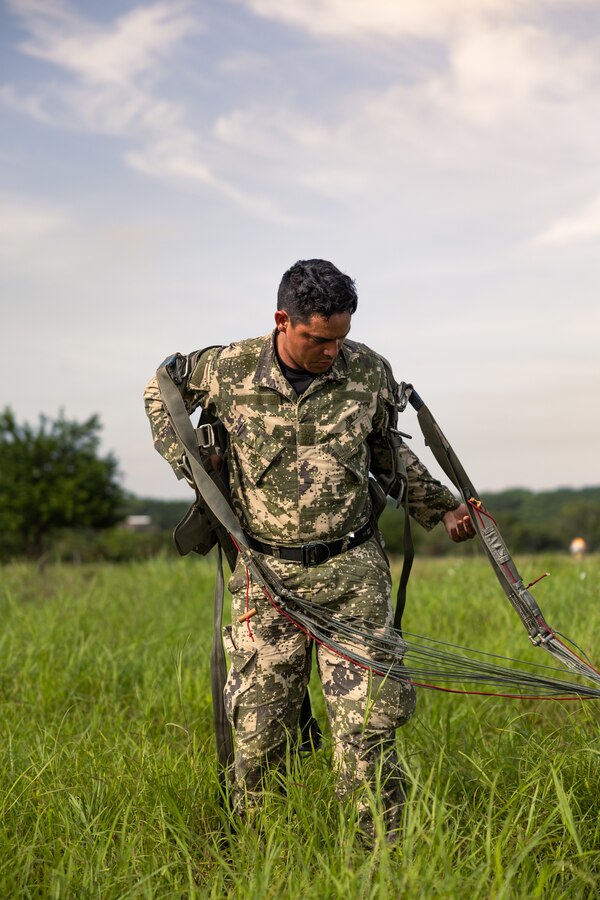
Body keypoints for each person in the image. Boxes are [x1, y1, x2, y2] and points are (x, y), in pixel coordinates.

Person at [144, 258, 474, 840]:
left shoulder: (368, 370)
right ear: (282, 320)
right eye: (319, 339)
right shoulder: (227, 368)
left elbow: (387, 453)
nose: (331, 352)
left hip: (351, 577)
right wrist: (193, 464)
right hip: (265, 580)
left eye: (340, 338)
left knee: (369, 729)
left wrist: (441, 506)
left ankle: (382, 861)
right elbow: (159, 388)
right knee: (258, 734)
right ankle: (261, 857)